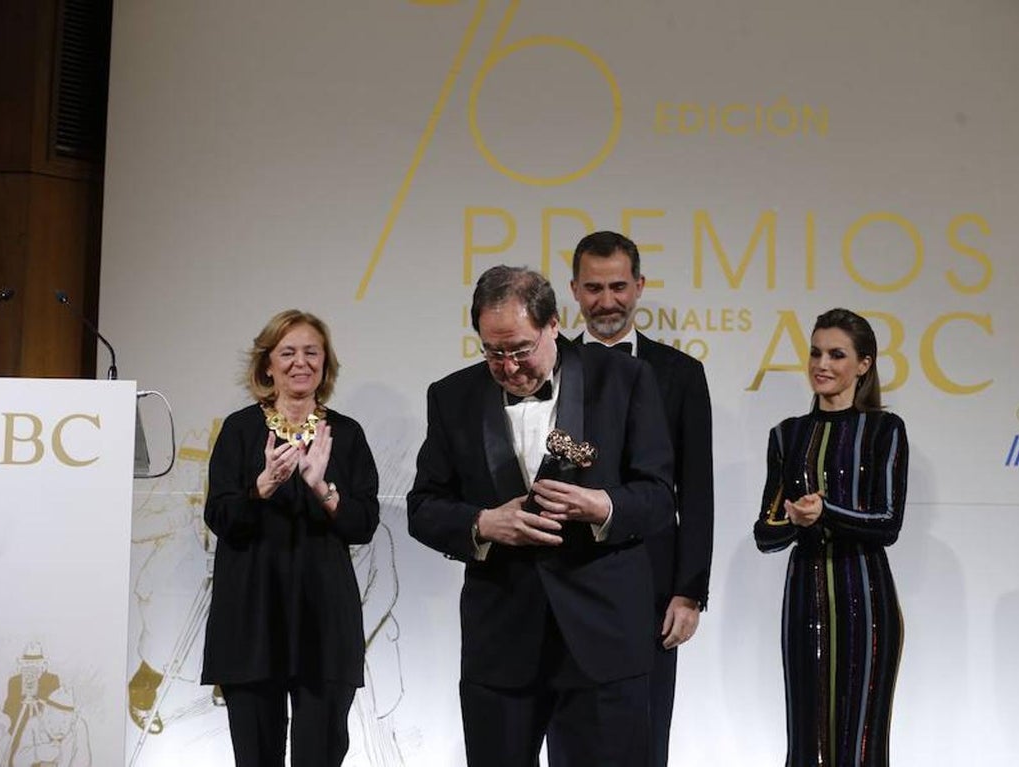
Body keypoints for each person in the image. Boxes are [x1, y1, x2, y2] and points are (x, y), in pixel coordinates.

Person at [407, 266, 674, 767]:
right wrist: (484, 524)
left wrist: (603, 507)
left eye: (520, 349)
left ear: (553, 324)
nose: (508, 367)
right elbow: (423, 508)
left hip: (603, 640)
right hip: (502, 641)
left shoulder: (624, 378)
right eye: (493, 352)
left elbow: (659, 497)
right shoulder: (451, 396)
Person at [201, 309, 380, 767]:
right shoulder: (240, 431)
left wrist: (323, 489)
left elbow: (363, 523)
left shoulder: (348, 434)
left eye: (311, 352)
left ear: (325, 363)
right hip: (252, 617)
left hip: (324, 620)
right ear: (267, 365)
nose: (300, 363)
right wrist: (260, 488)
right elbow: (219, 515)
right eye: (288, 352)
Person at [564, 231, 714, 767]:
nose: (608, 300)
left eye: (619, 286)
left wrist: (689, 591)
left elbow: (696, 492)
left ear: (641, 287)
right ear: (575, 292)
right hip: (567, 584)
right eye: (595, 287)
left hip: (652, 586)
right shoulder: (549, 372)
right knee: (570, 736)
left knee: (646, 738)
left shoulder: (680, 374)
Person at [754, 308, 908, 767]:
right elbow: (765, 533)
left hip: (867, 601)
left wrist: (826, 512)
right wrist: (795, 522)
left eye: (836, 354)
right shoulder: (787, 435)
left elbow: (888, 523)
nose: (822, 364)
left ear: (863, 364)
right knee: (807, 738)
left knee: (863, 740)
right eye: (816, 352)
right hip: (805, 601)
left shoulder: (884, 429)